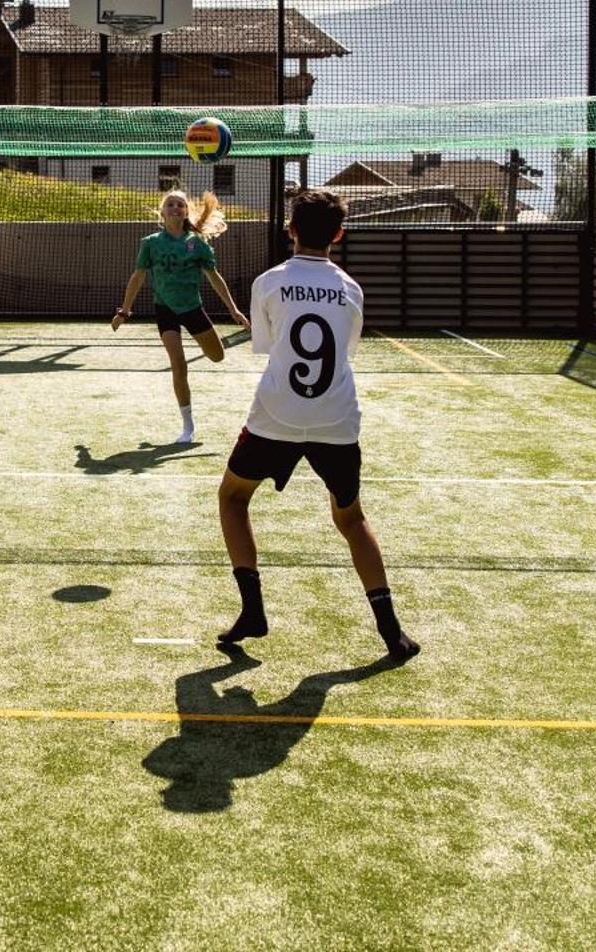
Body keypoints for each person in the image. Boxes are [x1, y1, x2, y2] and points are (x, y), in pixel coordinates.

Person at [214, 188, 419, 663]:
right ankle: (392, 633)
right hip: (337, 418)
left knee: (232, 497)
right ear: (339, 235)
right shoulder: (350, 288)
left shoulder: (268, 282)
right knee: (351, 518)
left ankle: (252, 610)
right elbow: (344, 353)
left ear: (290, 230)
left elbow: (268, 349)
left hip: (277, 415)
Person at [112, 188, 249, 445]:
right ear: (162, 212)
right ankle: (188, 426)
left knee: (217, 356)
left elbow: (214, 277)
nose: (175, 208)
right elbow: (138, 276)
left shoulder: (196, 243)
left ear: (186, 212)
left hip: (192, 309)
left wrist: (233, 309)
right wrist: (124, 311)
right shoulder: (151, 243)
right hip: (165, 310)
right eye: (170, 204)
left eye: (180, 205)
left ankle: (219, 342)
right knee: (178, 363)